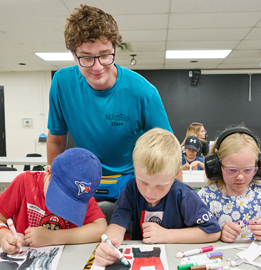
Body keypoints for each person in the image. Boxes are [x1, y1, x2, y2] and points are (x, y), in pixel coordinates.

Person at [47, 5, 172, 200]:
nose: (97, 67)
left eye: (105, 55)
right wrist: (56, 185)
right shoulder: (62, 83)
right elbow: (56, 140)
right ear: (74, 55)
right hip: (84, 179)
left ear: (115, 48)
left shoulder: (144, 92)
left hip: (132, 182)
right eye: (87, 58)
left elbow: (168, 152)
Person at [94, 128, 221, 267]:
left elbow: (213, 232)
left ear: (176, 174)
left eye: (161, 185)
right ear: (134, 169)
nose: (150, 192)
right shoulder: (131, 189)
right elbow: (117, 226)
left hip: (177, 262)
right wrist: (109, 245)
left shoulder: (183, 195)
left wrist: (166, 235)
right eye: (143, 182)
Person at [0, 148, 107, 254]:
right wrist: (3, 237)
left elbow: (101, 228)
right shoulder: (24, 183)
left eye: (71, 202)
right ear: (48, 172)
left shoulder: (82, 196)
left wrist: (54, 237)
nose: (63, 203)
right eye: (60, 195)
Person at [198, 126, 261, 242]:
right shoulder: (205, 197)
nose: (240, 177)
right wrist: (219, 235)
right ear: (216, 167)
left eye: (248, 170)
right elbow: (196, 239)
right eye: (232, 170)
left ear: (259, 168)